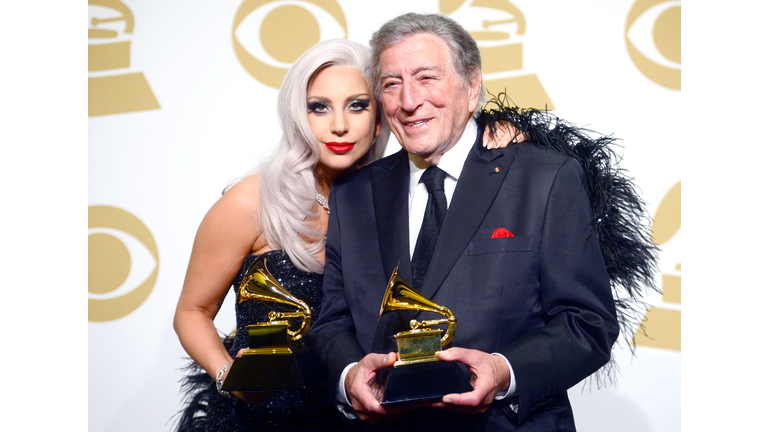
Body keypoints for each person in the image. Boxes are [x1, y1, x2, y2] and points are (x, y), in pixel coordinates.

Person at [309, 13, 657, 432]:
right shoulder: (353, 194)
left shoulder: (546, 178)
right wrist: (349, 377)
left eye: (427, 78)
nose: (409, 100)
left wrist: (503, 370)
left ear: (472, 87)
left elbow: (587, 323)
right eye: (392, 84)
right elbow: (333, 321)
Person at [172, 38, 517, 431]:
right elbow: (191, 311)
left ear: (381, 116)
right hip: (266, 419)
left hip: (358, 416)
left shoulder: (390, 195)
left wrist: (497, 134)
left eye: (357, 105)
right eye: (318, 107)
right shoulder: (251, 201)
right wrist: (229, 379)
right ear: (296, 116)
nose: (339, 124)